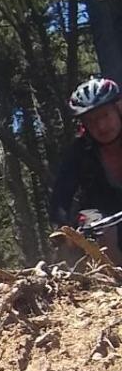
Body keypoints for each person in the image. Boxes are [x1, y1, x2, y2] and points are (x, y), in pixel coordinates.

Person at [51, 77, 122, 262]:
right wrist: (65, 229)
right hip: (108, 218)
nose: (101, 126)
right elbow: (60, 199)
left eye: (105, 115)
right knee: (102, 233)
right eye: (91, 121)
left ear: (119, 108)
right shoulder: (79, 153)